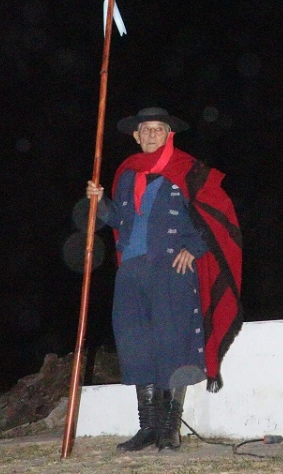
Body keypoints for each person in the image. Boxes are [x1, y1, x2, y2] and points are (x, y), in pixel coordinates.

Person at [87, 106, 242, 451]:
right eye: (146, 130)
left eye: (159, 129)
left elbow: (219, 215)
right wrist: (102, 204)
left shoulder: (188, 170)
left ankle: (170, 428)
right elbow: (124, 222)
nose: (152, 135)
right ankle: (148, 428)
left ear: (169, 134)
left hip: (172, 270)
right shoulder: (127, 173)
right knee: (136, 344)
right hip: (131, 269)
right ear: (136, 136)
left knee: (172, 343)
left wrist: (196, 247)